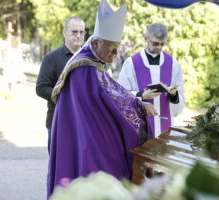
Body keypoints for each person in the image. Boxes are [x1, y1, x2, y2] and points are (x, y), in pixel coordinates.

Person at [47, 0, 156, 198]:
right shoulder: (84, 67)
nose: (115, 55)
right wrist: (138, 106)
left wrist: (138, 102)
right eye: (112, 48)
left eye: (117, 48)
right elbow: (108, 99)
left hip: (87, 135)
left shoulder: (95, 61)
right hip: (89, 139)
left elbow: (112, 91)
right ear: (96, 43)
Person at [118, 23, 185, 137]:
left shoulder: (173, 63)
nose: (159, 47)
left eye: (162, 44)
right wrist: (142, 95)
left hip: (165, 125)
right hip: (139, 126)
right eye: (155, 44)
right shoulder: (132, 63)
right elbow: (121, 94)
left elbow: (180, 95)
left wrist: (173, 94)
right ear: (146, 39)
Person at [36, 16, 86, 153]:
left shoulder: (91, 58)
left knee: (81, 169)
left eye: (82, 32)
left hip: (85, 122)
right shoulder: (51, 58)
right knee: (57, 169)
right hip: (58, 121)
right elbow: (41, 88)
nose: (79, 36)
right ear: (64, 32)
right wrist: (66, 97)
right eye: (74, 32)